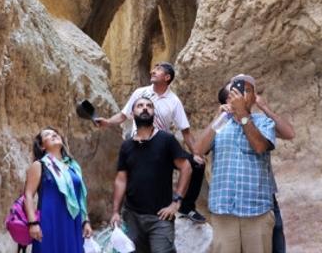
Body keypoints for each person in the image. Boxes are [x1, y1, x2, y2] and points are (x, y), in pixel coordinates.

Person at [95, 62, 207, 223]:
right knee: (130, 175)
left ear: (167, 77)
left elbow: (186, 132)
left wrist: (196, 154)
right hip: (137, 142)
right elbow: (123, 116)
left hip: (161, 146)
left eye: (158, 70)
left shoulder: (174, 101)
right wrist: (107, 122)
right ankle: (124, 212)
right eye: (153, 69)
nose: (152, 71)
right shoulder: (141, 93)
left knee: (197, 165)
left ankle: (186, 206)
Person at [194, 74, 276, 253]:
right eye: (236, 91)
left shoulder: (264, 122)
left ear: (254, 98)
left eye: (247, 91)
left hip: (257, 211)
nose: (240, 95)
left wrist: (243, 115)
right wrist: (219, 117)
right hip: (224, 211)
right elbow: (198, 150)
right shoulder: (221, 124)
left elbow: (260, 147)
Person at [110, 97, 192, 253]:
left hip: (161, 218)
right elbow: (121, 179)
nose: (145, 108)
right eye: (140, 106)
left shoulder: (166, 140)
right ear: (132, 113)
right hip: (132, 216)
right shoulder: (127, 145)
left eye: (149, 106)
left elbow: (186, 167)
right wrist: (115, 212)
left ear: (154, 112)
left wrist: (177, 202)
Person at [23, 127, 92, 253]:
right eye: (48, 135)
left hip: (72, 222)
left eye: (55, 133)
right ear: (42, 146)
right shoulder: (39, 165)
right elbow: (28, 195)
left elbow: (80, 197)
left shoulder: (73, 166)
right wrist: (33, 223)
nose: (54, 134)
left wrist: (85, 220)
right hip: (49, 222)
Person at [255, 92, 295, 253]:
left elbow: (289, 133)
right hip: (242, 199)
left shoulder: (260, 122)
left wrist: (264, 108)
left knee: (277, 244)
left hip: (266, 195)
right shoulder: (224, 124)